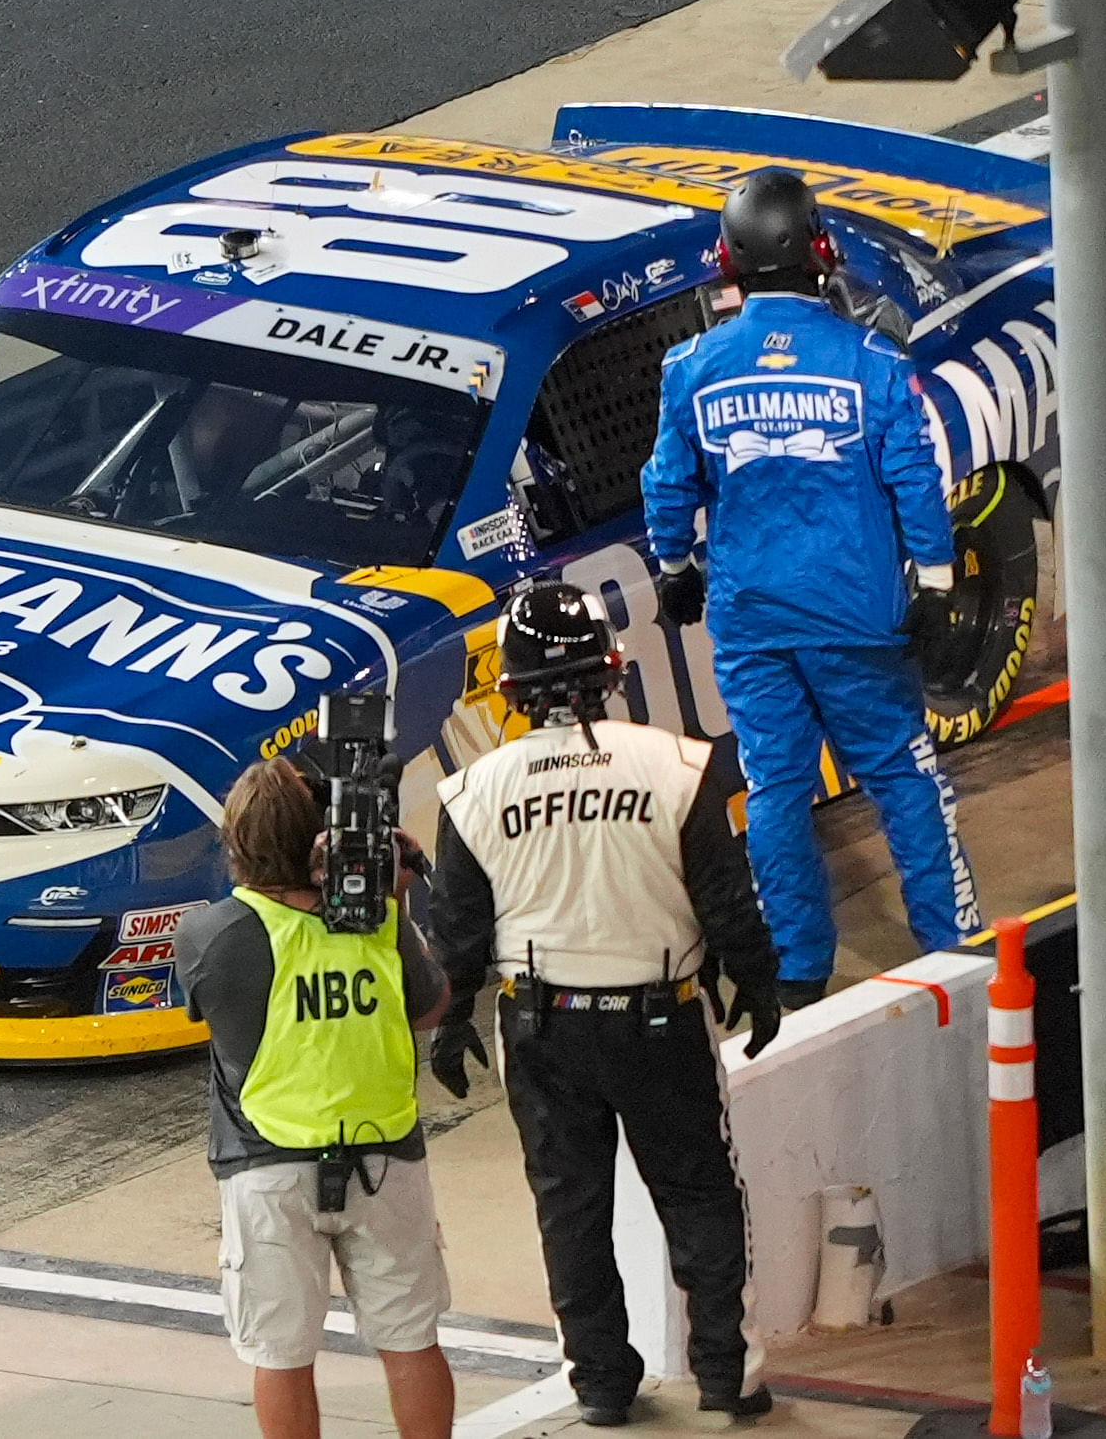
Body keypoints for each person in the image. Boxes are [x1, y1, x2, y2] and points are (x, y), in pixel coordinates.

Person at [430, 581, 784, 1426]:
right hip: (660, 1016)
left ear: (508, 691)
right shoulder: (678, 764)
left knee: (569, 1203)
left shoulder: (472, 790)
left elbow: (457, 931)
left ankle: (600, 1382)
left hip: (541, 1023)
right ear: (613, 671)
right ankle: (726, 1373)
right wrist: (759, 981)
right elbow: (726, 897)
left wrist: (451, 1024)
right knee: (699, 1191)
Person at [644, 168, 980, 997]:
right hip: (859, 617)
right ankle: (949, 942)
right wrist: (936, 583)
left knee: (775, 791)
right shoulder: (868, 358)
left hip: (752, 619)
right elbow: (914, 475)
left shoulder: (690, 365)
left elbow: (666, 483)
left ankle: (798, 969)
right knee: (904, 775)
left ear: (726, 260)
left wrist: (674, 567)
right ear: (821, 249)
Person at [180, 756, 457, 1439]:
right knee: (410, 1339)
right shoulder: (378, 920)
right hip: (385, 1158)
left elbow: (209, 1007)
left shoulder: (210, 935)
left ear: (237, 842)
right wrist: (389, 897)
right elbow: (431, 1006)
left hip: (266, 1166)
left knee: (280, 1355)